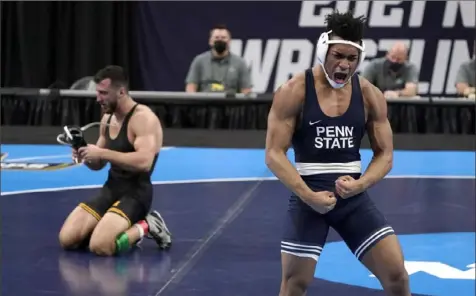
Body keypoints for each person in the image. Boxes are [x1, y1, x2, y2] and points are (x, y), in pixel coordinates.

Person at [265, 11, 410, 296]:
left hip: (352, 198)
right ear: (323, 51)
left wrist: (360, 184)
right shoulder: (294, 91)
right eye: (338, 56)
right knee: (294, 284)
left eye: (351, 59)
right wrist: (309, 196)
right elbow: (274, 154)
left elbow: (385, 155)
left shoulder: (369, 94)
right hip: (309, 200)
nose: (344, 65)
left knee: (397, 276)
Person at [58, 65, 172, 256]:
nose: (98, 98)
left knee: (101, 246)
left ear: (121, 92)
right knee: (67, 239)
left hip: (136, 193)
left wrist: (102, 153)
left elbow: (145, 162)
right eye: (97, 92)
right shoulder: (107, 118)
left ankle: (148, 224)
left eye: (103, 93)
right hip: (111, 189)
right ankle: (109, 225)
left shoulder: (143, 119)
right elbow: (98, 164)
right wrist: (85, 154)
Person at [185, 24, 253, 95]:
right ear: (210, 41)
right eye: (216, 38)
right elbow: (191, 88)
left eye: (223, 38)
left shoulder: (240, 63)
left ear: (229, 41)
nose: (220, 40)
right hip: (205, 104)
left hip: (230, 104)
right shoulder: (199, 61)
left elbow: (246, 91)